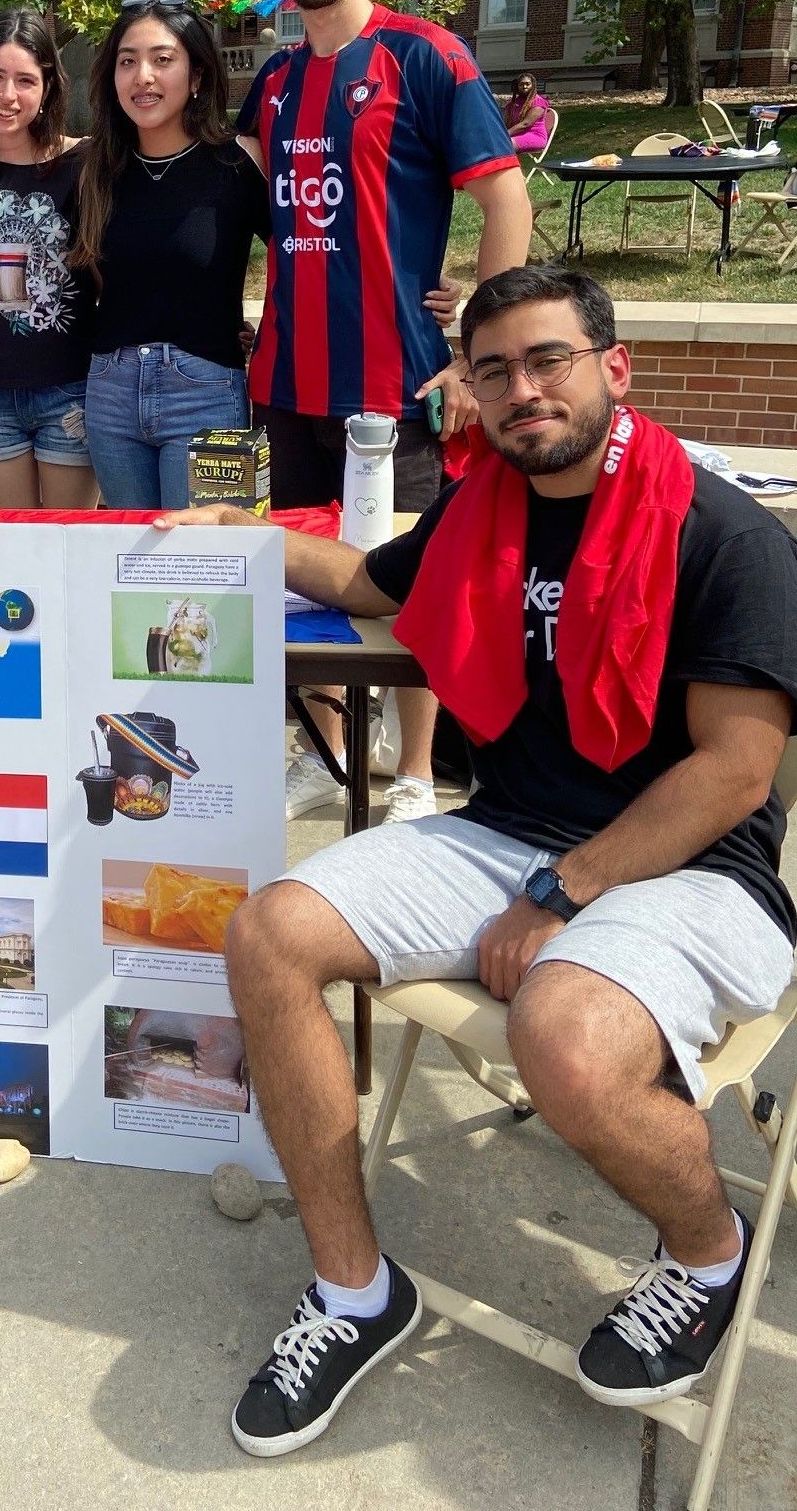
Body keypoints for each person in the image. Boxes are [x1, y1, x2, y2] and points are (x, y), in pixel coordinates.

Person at [166, 264, 797, 1458]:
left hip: (698, 870)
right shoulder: (484, 509)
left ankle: (710, 1256)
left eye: (549, 359)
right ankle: (357, 1292)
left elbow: (734, 774)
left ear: (614, 367)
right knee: (268, 933)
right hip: (508, 832)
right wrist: (243, 538)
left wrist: (565, 891)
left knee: (564, 1036)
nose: (522, 390)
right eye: (493, 370)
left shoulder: (725, 537)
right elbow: (367, 580)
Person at [239, 0, 534, 823]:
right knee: (308, 583)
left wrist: (476, 353)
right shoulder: (273, 81)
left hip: (398, 384)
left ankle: (412, 772)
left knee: (415, 582)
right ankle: (328, 752)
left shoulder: (425, 53)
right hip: (288, 382)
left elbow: (506, 199)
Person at [73, 0, 270, 510]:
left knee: (213, 552)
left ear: (197, 74)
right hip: (110, 394)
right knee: (130, 553)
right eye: (127, 61)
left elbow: (306, 256)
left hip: (208, 391)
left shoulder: (240, 161)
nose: (143, 76)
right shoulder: (96, 169)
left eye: (163, 59)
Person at [0, 9, 97, 508]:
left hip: (69, 391)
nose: (8, 95)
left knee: (69, 546)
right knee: (14, 544)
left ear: (48, 87)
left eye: (26, 80)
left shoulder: (83, 164)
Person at [504, 70, 553, 157]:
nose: (524, 86)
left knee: (503, 145)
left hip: (535, 136)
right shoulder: (515, 103)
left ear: (533, 85)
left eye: (527, 84)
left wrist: (503, 135)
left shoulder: (538, 102)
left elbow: (525, 124)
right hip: (517, 135)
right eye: (521, 84)